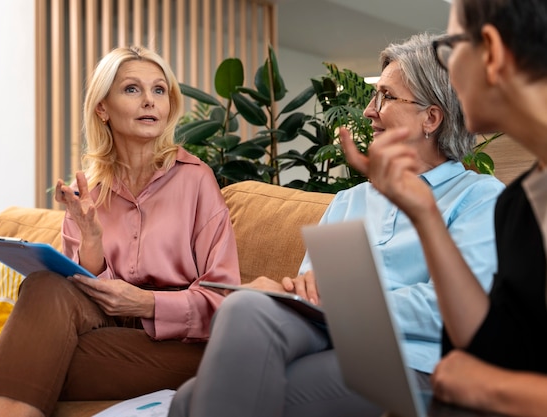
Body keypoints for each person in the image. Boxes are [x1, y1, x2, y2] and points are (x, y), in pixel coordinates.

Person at [168, 32, 504, 417]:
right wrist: (294, 290)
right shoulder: (352, 200)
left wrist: (344, 303)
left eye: (386, 97)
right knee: (246, 307)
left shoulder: (480, 198)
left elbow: (450, 309)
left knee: (190, 402)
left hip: (414, 358)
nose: (368, 111)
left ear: (431, 117)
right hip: (331, 336)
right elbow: (311, 287)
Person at [0, 45, 240, 417]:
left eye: (159, 90)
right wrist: (92, 240)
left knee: (28, 352)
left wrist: (146, 302)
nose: (149, 101)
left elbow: (224, 302)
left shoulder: (197, 180)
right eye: (132, 89)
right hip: (104, 330)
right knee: (43, 285)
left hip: (180, 346)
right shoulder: (88, 192)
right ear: (102, 107)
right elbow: (69, 299)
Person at [341, 1, 547, 416]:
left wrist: (496, 391)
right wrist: (424, 214)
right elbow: (489, 351)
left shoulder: (495, 199)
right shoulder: (520, 205)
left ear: (490, 51)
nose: (447, 76)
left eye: (449, 50)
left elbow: (487, 378)